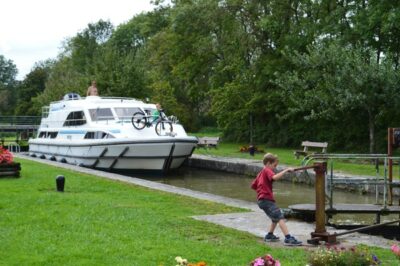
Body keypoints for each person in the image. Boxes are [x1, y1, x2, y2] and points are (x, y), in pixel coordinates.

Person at [251, 153, 302, 246]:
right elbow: (275, 177)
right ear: (268, 163)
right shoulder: (267, 170)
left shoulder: (260, 173)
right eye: (274, 165)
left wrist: (262, 192)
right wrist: (286, 170)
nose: (274, 168)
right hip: (266, 199)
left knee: (275, 218)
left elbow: (254, 186)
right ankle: (288, 238)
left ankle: (269, 235)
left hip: (262, 200)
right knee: (280, 217)